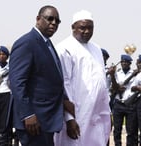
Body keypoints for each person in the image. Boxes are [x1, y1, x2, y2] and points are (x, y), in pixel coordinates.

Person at [9, 5, 70, 146]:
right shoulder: (27, 42)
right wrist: (28, 114)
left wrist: (65, 100)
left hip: (47, 118)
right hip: (34, 120)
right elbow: (17, 82)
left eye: (57, 21)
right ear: (38, 19)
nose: (54, 23)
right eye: (50, 19)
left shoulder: (47, 43)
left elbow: (52, 80)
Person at [54, 10, 111, 146]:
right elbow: (64, 84)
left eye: (90, 28)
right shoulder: (64, 48)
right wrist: (69, 118)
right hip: (78, 115)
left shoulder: (96, 48)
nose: (86, 31)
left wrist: (107, 113)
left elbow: (102, 83)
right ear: (73, 27)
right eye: (82, 28)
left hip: (97, 115)